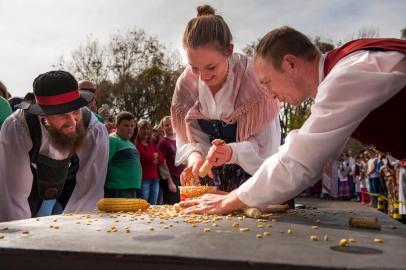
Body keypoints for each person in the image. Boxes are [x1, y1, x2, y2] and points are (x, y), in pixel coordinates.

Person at [180, 26, 406, 214]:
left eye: (267, 82)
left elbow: (300, 162)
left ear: (290, 63)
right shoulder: (342, 72)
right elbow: (302, 152)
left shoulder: (346, 75)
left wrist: (230, 201)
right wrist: (238, 194)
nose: (269, 94)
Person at [171, 5, 280, 192]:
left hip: (255, 179)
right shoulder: (185, 84)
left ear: (229, 50)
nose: (203, 76)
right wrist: (195, 156)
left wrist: (233, 152)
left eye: (211, 67)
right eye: (194, 67)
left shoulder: (255, 81)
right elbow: (186, 136)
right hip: (213, 180)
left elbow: (267, 148)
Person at [0, 70, 109, 221]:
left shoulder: (93, 129)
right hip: (28, 183)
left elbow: (90, 190)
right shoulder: (18, 128)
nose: (72, 122)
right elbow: (13, 198)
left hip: (68, 179)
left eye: (76, 110)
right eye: (62, 114)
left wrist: (73, 231)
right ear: (42, 115)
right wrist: (19, 237)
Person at [104, 111, 142, 198]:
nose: (130, 128)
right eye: (126, 125)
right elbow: (103, 164)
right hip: (118, 188)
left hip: (131, 187)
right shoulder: (112, 139)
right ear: (117, 125)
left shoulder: (130, 143)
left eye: (132, 126)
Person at [136, 119, 164, 205]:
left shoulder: (151, 144)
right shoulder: (136, 143)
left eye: (148, 129)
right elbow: (142, 157)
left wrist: (155, 159)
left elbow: (162, 157)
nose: (146, 131)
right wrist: (153, 156)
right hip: (143, 179)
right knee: (143, 203)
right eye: (143, 129)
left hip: (155, 179)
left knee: (153, 204)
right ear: (138, 130)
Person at [158, 116, 185, 204]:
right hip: (172, 178)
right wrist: (170, 182)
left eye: (171, 124)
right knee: (172, 205)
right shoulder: (163, 143)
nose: (169, 126)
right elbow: (162, 164)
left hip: (182, 177)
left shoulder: (179, 140)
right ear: (162, 128)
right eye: (166, 125)